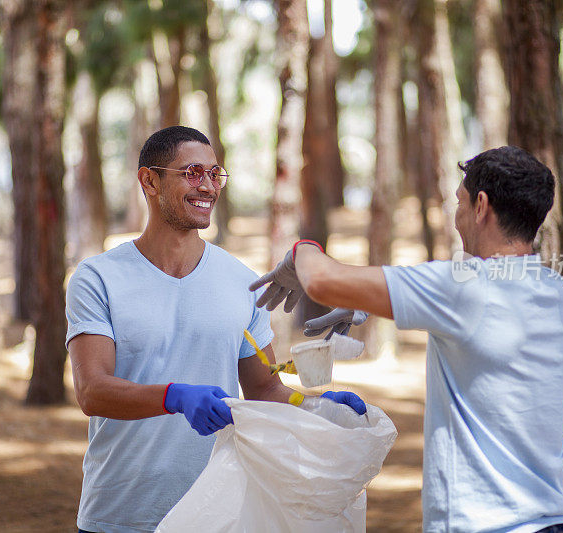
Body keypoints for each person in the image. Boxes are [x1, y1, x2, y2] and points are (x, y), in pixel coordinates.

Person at [252, 146, 563, 532]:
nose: (457, 217)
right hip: (553, 521)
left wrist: (301, 250)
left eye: (459, 202)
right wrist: (368, 300)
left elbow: (322, 280)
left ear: (481, 205)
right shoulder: (555, 289)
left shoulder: (465, 287)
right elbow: (482, 334)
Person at [65, 125, 366, 533]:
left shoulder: (240, 281)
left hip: (214, 513)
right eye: (192, 172)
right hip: (118, 515)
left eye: (214, 173)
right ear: (149, 181)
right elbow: (92, 391)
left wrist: (316, 408)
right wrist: (174, 396)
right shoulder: (98, 277)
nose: (207, 186)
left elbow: (264, 389)